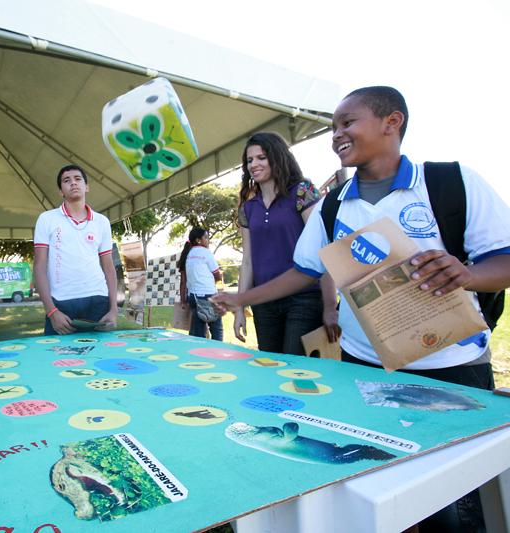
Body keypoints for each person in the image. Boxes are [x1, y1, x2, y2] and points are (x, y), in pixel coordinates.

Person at [213, 86, 510, 531]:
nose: (336, 134)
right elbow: (303, 271)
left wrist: (467, 274)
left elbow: (503, 261)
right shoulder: (334, 204)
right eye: (333, 127)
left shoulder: (450, 183)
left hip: (452, 368)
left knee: (458, 497)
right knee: (382, 483)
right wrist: (241, 299)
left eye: (347, 122)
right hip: (365, 369)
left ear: (392, 122)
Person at [235, 132, 340, 354]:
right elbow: (247, 262)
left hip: (303, 298)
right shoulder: (248, 208)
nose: (254, 164)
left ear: (278, 157)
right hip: (263, 302)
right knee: (270, 366)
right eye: (249, 160)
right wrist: (239, 307)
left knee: (294, 366)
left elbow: (323, 248)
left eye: (261, 157)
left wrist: (330, 306)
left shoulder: (302, 192)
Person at [33, 164, 117, 335]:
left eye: (78, 179)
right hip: (61, 304)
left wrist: (114, 309)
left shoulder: (102, 222)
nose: (73, 183)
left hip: (98, 300)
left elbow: (109, 267)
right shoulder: (46, 219)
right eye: (66, 180)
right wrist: (51, 311)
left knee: (99, 351)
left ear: (87, 187)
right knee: (57, 352)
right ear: (60, 191)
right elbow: (39, 267)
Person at [177, 227, 223, 340]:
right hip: (208, 295)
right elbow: (217, 275)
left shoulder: (189, 254)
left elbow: (184, 281)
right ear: (198, 240)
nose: (208, 240)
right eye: (206, 237)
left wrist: (183, 299)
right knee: (216, 328)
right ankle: (218, 349)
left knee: (198, 332)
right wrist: (216, 279)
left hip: (193, 296)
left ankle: (198, 349)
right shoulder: (206, 253)